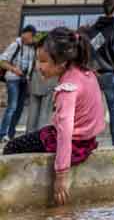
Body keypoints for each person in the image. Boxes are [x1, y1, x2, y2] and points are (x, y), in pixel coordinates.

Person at [1, 26, 105, 207]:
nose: (38, 67)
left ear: (62, 62)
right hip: (87, 141)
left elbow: (65, 133)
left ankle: (18, 198)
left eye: (43, 61)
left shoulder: (68, 87)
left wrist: (61, 175)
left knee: (12, 146)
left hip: (69, 142)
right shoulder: (87, 74)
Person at [86, 0, 114, 146]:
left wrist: (93, 68)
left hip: (95, 75)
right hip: (109, 75)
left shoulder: (94, 29)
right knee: (113, 110)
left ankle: (89, 142)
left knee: (92, 110)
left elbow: (91, 51)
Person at [0, 25, 38, 140]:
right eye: (30, 35)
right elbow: (2, 61)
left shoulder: (32, 48)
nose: (31, 38)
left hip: (24, 80)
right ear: (24, 33)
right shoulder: (15, 45)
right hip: (13, 79)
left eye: (32, 37)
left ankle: (10, 133)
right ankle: (2, 133)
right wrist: (14, 69)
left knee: (20, 108)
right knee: (12, 106)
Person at [24, 46, 56, 133]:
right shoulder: (53, 50)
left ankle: (30, 136)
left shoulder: (37, 50)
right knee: (45, 113)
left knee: (33, 113)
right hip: (49, 82)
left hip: (36, 82)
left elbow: (35, 66)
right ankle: (41, 137)